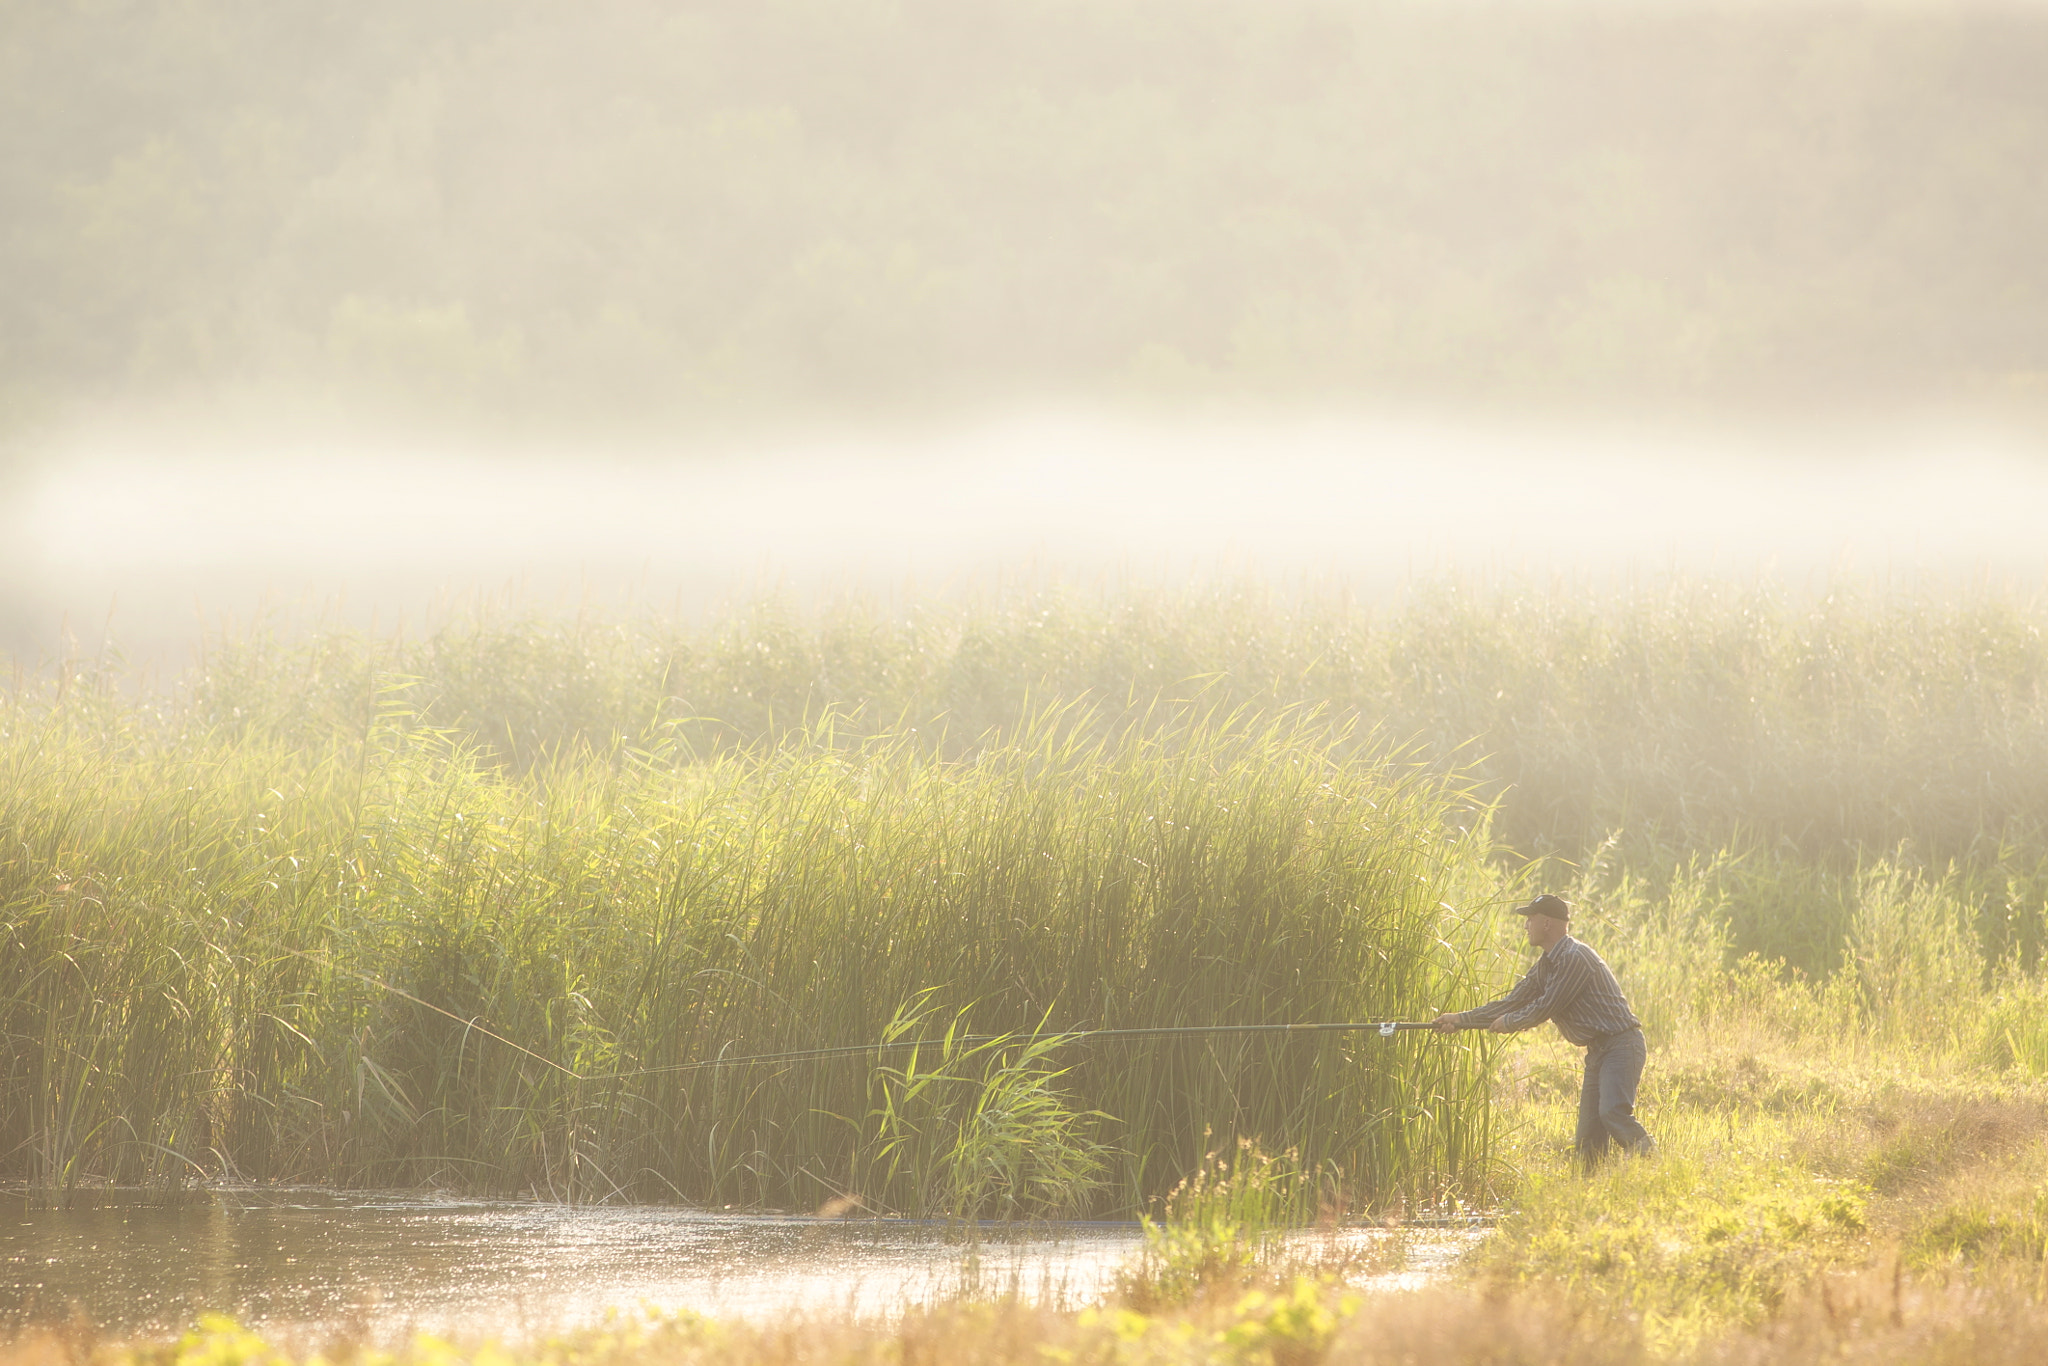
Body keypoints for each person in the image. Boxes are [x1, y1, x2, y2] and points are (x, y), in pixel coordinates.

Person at [1433, 893, 1654, 1169]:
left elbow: (1545, 1007)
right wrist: (1461, 1019)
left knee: (1612, 1113)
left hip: (1621, 1046)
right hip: (1599, 1051)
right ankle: (1588, 1194)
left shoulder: (1575, 958)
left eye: (1530, 919)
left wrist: (1510, 1022)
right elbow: (1512, 1002)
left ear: (1547, 923)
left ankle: (1656, 1164)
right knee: (1588, 1138)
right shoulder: (1546, 965)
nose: (1526, 925)